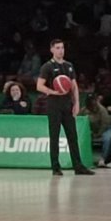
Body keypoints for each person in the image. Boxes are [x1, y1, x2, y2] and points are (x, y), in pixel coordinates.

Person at [36, 39, 94, 177]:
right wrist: (52, 91)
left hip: (67, 105)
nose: (61, 50)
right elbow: (39, 85)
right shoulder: (47, 67)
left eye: (62, 47)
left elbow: (73, 86)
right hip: (54, 105)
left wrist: (77, 102)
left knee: (72, 136)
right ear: (52, 49)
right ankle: (56, 168)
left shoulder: (69, 65)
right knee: (54, 136)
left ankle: (78, 166)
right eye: (57, 48)